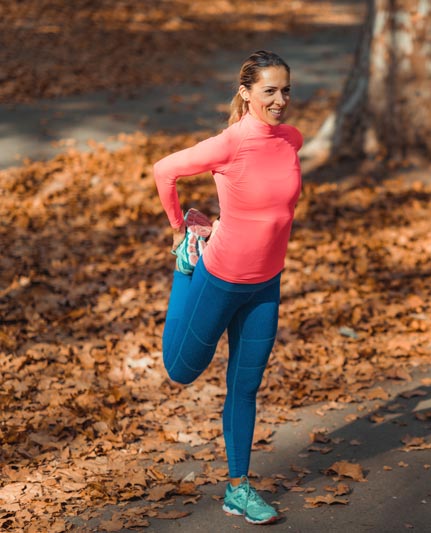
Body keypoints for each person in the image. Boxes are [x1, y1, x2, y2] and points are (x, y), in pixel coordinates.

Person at [153, 50, 302, 525]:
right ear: (246, 93)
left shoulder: (290, 140)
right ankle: (185, 264)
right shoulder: (230, 143)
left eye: (285, 91)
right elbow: (164, 170)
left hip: (265, 284)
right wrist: (180, 229)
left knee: (246, 385)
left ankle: (238, 488)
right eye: (269, 92)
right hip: (219, 279)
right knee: (181, 371)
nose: (280, 101)